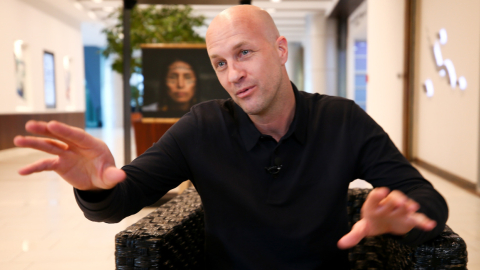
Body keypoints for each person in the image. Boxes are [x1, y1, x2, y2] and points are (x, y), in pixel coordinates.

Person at [14, 5, 447, 269]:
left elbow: (428, 201)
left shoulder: (342, 120)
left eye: (243, 53)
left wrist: (404, 221)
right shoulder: (202, 127)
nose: (233, 74)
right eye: (220, 63)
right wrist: (94, 185)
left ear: (279, 51)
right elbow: (121, 200)